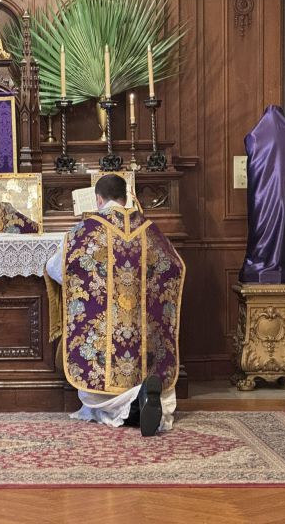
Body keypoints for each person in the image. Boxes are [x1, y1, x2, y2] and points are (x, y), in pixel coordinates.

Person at [46, 174, 185, 436]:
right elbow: (174, 268)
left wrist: (90, 285)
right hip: (143, 340)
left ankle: (133, 405)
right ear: (126, 197)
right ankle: (146, 395)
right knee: (148, 373)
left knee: (96, 397)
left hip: (103, 342)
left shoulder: (85, 231)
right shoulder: (150, 230)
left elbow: (57, 268)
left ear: (98, 199)